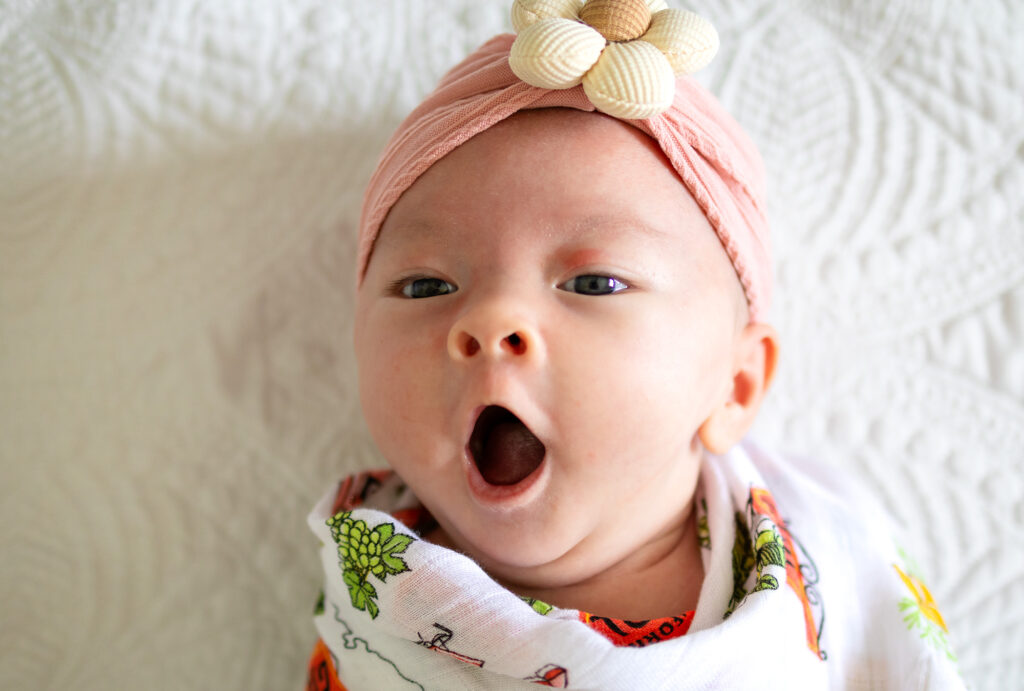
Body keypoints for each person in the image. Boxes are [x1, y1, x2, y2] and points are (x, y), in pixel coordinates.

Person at [306, 2, 963, 688]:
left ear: (734, 385)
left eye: (593, 282)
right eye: (425, 286)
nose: (491, 318)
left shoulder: (831, 565)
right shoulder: (371, 588)